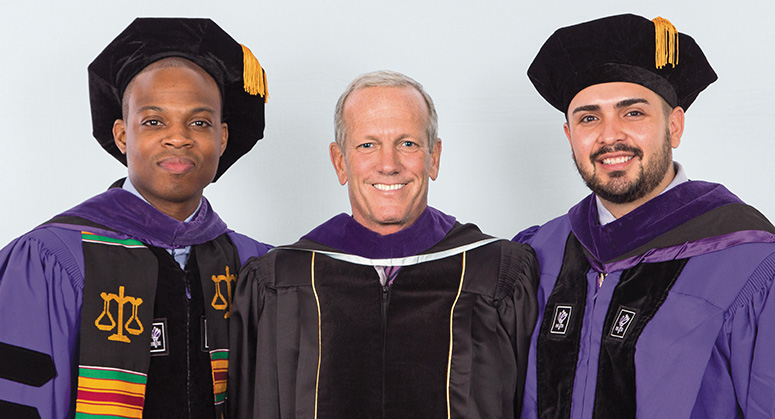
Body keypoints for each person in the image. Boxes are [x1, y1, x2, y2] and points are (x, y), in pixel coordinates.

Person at [0, 18, 271, 419]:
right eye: (153, 121)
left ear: (222, 138)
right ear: (123, 134)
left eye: (199, 122)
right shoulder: (50, 260)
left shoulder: (254, 265)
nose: (177, 137)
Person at [229, 70, 538, 418]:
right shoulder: (281, 279)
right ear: (340, 161)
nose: (388, 165)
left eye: (408, 143)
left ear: (433, 158)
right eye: (367, 145)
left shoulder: (495, 273)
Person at [516, 14, 775, 419]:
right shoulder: (538, 253)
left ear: (673, 126)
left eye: (633, 113)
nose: (609, 135)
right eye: (588, 118)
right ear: (570, 136)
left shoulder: (749, 263)